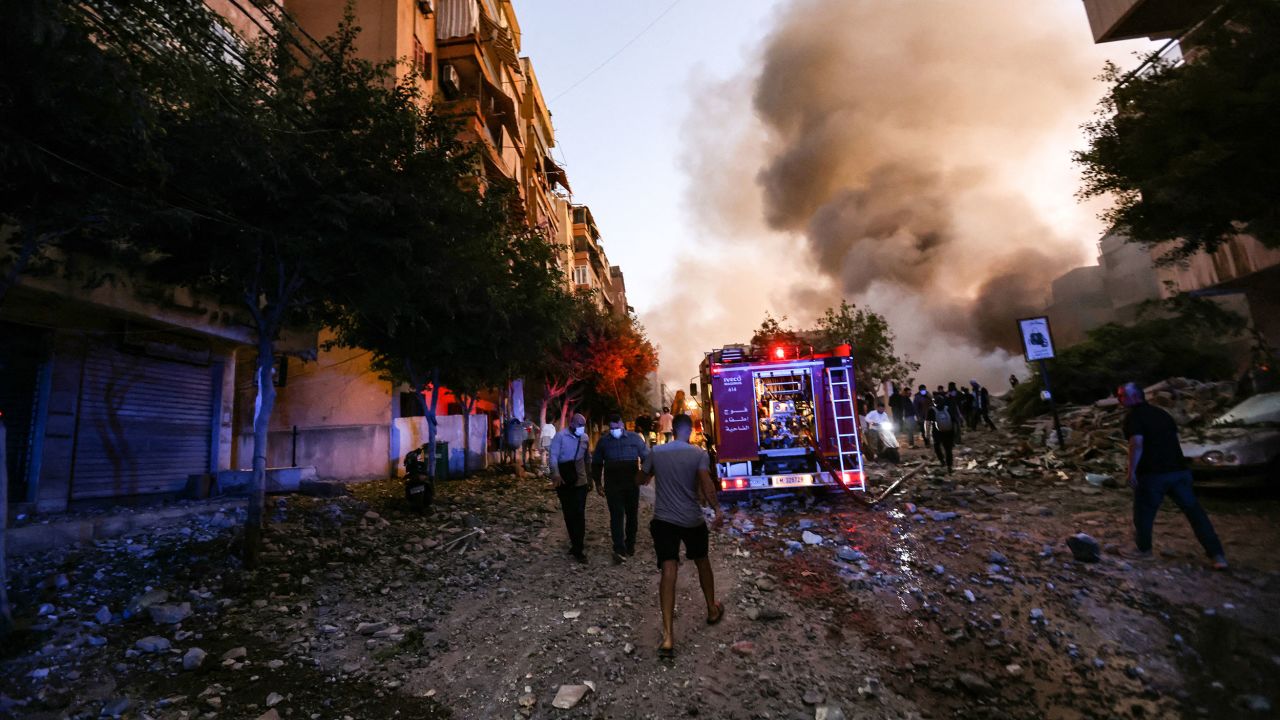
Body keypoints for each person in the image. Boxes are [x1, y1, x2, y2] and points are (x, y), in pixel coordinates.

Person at [639, 414, 724, 658]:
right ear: (690, 430)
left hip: (664, 520)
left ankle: (667, 637)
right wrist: (717, 510)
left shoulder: (657, 453)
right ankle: (711, 609)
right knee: (702, 561)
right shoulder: (698, 454)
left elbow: (643, 478)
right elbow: (707, 485)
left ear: (673, 430)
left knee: (669, 570)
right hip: (691, 519)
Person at [1118, 383, 1227, 570]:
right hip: (1178, 471)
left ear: (1135, 396)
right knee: (1195, 513)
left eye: (1122, 396)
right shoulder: (1162, 414)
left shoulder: (1134, 417)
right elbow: (1173, 438)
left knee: (1143, 514)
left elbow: (1136, 443)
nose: (1120, 400)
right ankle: (1217, 555)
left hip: (1153, 474)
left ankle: (1143, 550)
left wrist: (1131, 471)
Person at [592, 413, 650, 564]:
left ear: (622, 426)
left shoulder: (634, 439)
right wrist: (597, 483)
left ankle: (630, 544)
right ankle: (619, 548)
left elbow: (646, 458)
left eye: (616, 428)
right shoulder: (604, 442)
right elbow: (597, 463)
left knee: (632, 515)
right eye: (611, 428)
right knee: (616, 516)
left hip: (631, 482)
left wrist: (646, 475)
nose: (614, 431)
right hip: (612, 484)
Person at [549, 413, 591, 563]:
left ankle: (579, 548)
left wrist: (590, 478)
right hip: (564, 480)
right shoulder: (560, 437)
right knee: (569, 513)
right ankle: (574, 543)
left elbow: (587, 459)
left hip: (580, 481)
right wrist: (556, 474)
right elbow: (553, 456)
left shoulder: (585, 438)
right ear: (571, 423)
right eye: (578, 424)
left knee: (579, 513)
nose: (581, 427)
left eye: (583, 424)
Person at [927, 394, 956, 474]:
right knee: (948, 450)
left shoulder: (931, 410)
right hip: (948, 432)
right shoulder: (948, 408)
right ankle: (949, 466)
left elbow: (927, 423)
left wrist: (927, 434)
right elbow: (953, 420)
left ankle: (942, 461)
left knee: (937, 447)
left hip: (937, 433)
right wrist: (954, 434)